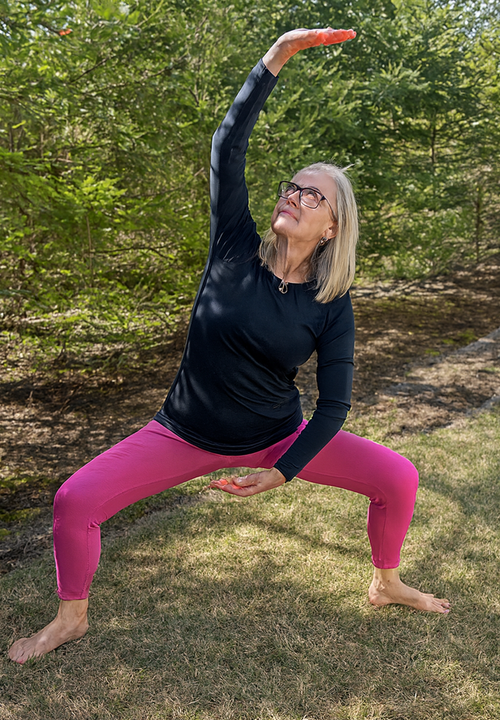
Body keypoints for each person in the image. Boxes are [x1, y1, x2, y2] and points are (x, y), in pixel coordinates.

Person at [8, 27, 450, 665]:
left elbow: (334, 405)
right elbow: (226, 146)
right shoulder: (234, 246)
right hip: (181, 433)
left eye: (312, 195)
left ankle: (386, 582)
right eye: (290, 188)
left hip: (273, 437)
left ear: (332, 226)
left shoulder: (330, 303)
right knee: (75, 500)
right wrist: (276, 58)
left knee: (399, 477)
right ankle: (69, 619)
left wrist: (284, 469)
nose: (293, 197)